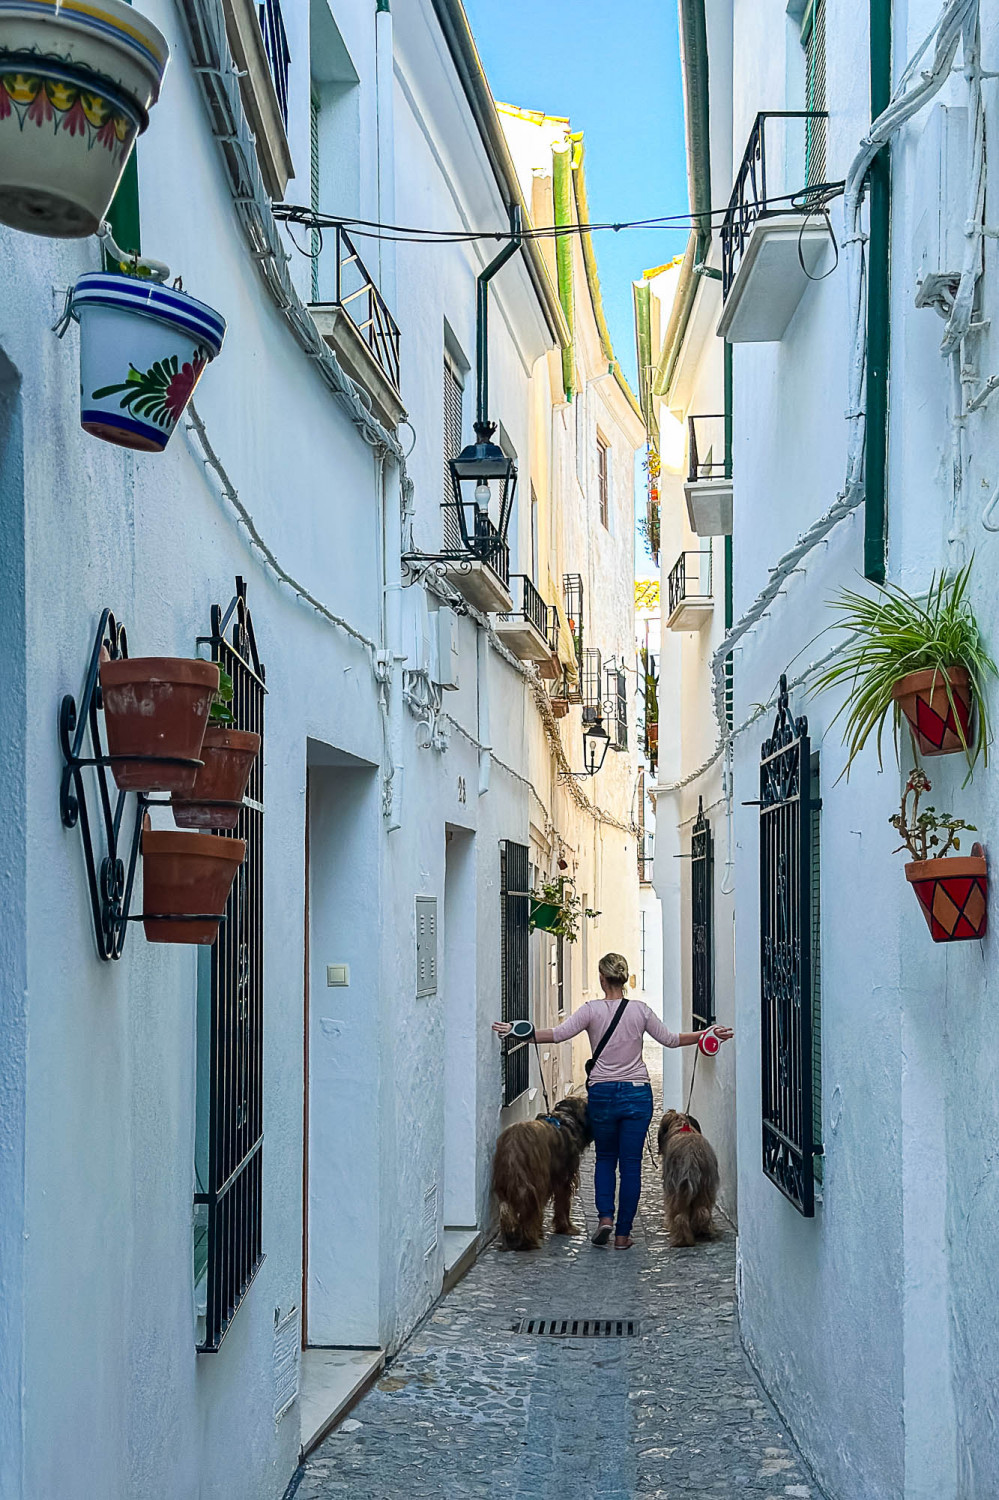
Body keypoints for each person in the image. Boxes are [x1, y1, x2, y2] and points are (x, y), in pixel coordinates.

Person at [492, 951, 733, 1250]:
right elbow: (671, 1040)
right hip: (636, 1095)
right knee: (631, 1165)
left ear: (602, 979)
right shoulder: (640, 1011)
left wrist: (518, 1032)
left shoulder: (591, 1010)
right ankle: (622, 1235)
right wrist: (706, 1034)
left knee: (605, 1160)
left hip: (603, 1095)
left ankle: (605, 1218)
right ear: (625, 978)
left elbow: (557, 1034)